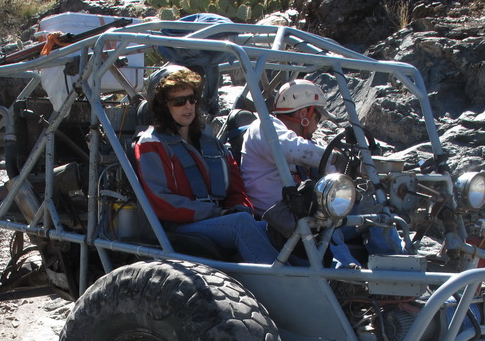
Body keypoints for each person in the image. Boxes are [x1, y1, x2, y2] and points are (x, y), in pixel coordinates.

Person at [133, 66, 281, 264]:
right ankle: (281, 280)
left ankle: (312, 276)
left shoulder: (213, 145)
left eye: (192, 99)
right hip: (179, 226)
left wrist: (239, 208)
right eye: (179, 101)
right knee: (240, 224)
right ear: (162, 106)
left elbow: (237, 189)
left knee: (274, 228)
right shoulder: (151, 144)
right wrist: (217, 213)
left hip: (219, 219)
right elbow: (161, 201)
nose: (188, 106)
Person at [240, 78, 335, 217]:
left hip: (298, 215)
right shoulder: (264, 127)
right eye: (317, 118)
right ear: (303, 114)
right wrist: (334, 157)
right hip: (270, 220)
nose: (317, 126)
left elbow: (329, 168)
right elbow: (293, 150)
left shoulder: (303, 141)